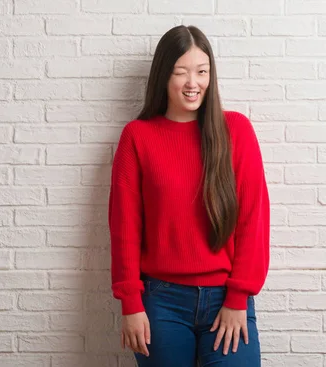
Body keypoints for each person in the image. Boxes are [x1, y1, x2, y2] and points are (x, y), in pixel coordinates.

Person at [108, 25, 270, 367]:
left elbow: (253, 219)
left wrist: (238, 297)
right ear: (164, 76)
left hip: (227, 298)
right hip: (160, 302)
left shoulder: (236, 130)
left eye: (201, 72)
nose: (192, 83)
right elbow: (124, 227)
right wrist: (131, 304)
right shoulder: (137, 137)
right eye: (181, 72)